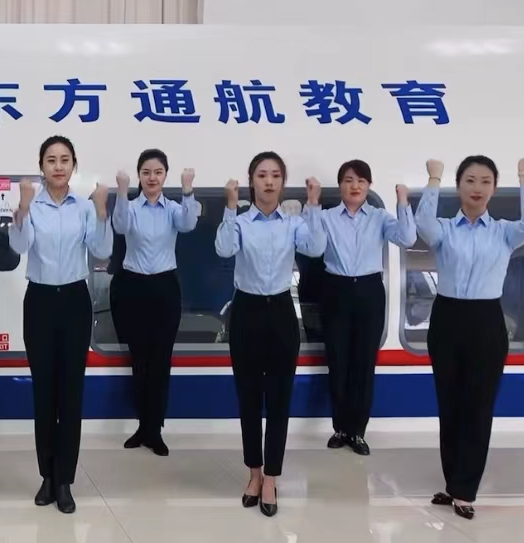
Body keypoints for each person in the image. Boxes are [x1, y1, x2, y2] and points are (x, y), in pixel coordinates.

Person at [419, 155, 524, 520]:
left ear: (494, 188)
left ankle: (465, 490)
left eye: (486, 181)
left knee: (478, 406)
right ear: (458, 186)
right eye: (470, 180)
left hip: (486, 320)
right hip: (447, 318)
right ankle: (452, 482)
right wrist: (433, 179)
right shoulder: (445, 230)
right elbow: (423, 223)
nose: (477, 188)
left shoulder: (504, 232)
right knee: (450, 405)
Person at [214, 151, 325, 518]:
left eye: (275, 175)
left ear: (282, 182)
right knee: (248, 399)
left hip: (280, 312)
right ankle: (253, 474)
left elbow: (316, 247)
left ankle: (272, 478)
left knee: (279, 401)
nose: (269, 181)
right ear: (252, 181)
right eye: (262, 175)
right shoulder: (241, 222)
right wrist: (230, 207)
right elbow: (223, 248)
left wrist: (313, 205)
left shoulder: (293, 223)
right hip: (245, 312)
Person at [10, 136, 111, 514]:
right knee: (44, 393)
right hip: (39, 301)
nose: (58, 166)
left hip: (73, 301)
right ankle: (47, 476)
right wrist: (22, 210)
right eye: (51, 160)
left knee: (70, 394)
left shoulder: (84, 207)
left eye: (64, 159)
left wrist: (101, 211)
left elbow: (102, 251)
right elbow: (20, 247)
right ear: (41, 166)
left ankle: (65, 479)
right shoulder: (32, 205)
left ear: (73, 165)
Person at [315, 160, 416, 456]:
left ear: (369, 186)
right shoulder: (326, 217)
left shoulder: (380, 217)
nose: (355, 186)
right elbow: (312, 246)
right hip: (335, 290)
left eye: (361, 180)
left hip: (370, 290)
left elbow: (408, 238)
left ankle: (358, 431)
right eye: (348, 180)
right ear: (340, 186)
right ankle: (340, 428)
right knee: (338, 361)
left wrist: (402, 201)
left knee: (364, 363)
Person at [111, 149, 197, 456]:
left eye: (158, 172)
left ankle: (155, 429)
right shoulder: (131, 207)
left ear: (165, 176)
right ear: (139, 175)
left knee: (161, 361)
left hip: (164, 288)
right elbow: (120, 226)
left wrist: (188, 189)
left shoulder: (172, 208)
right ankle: (142, 425)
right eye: (146, 172)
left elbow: (188, 224)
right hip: (133, 287)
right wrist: (122, 192)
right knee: (139, 361)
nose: (152, 178)